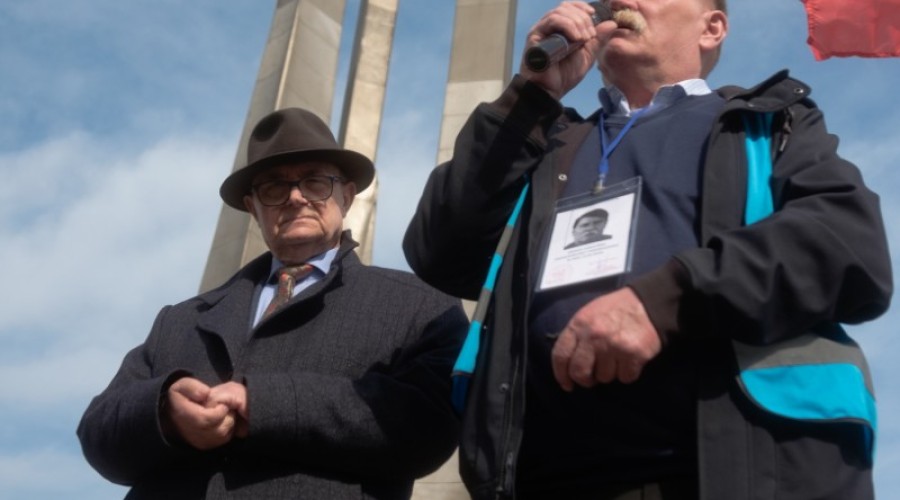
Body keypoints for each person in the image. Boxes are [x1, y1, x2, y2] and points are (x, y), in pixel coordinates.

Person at [403, 1, 892, 499]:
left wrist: (664, 301)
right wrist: (530, 97)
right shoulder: (549, 142)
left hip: (729, 471)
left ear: (713, 27)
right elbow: (439, 250)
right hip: (547, 477)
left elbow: (847, 243)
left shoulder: (767, 122)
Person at [78, 107, 468, 499]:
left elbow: (428, 427)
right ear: (253, 208)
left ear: (346, 196)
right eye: (274, 188)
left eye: (315, 182)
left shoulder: (417, 307)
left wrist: (261, 405)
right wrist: (164, 411)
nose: (296, 198)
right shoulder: (180, 321)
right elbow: (97, 432)